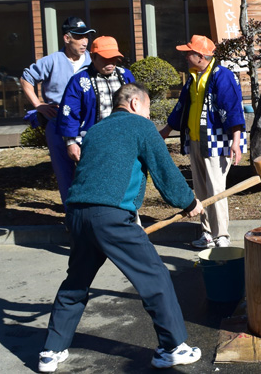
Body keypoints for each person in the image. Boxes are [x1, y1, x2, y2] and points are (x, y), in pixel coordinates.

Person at [38, 83, 204, 373]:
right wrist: (189, 203)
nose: (149, 114)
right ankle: (173, 348)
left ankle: (52, 350)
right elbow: (165, 171)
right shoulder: (141, 127)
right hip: (110, 216)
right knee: (154, 276)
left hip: (77, 213)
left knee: (76, 281)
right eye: (149, 108)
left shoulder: (95, 131)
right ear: (135, 103)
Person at [159, 35, 246, 249]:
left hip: (218, 141)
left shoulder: (222, 76)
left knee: (216, 189)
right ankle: (207, 233)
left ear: (200, 56)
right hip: (197, 140)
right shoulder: (193, 77)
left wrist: (237, 141)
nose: (185, 56)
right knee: (201, 190)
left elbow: (233, 109)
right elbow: (181, 107)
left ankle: (222, 234)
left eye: (188, 53)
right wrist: (167, 129)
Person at [21, 17, 94, 205]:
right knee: (64, 173)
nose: (84, 41)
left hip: (89, 125)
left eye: (86, 36)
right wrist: (38, 104)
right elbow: (26, 78)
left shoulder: (94, 61)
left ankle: (91, 213)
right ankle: (71, 216)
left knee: (92, 170)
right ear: (67, 38)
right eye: (79, 37)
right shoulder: (51, 61)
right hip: (58, 124)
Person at [56, 36, 135, 164]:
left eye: (114, 58)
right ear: (93, 57)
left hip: (124, 138)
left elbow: (136, 105)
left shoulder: (126, 76)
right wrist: (71, 142)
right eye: (105, 59)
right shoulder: (79, 80)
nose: (110, 63)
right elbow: (69, 111)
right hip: (92, 140)